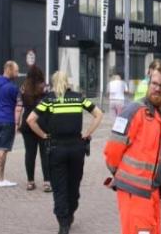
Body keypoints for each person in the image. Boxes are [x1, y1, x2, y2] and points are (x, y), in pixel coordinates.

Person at [27, 71, 104, 234]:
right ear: (67, 82)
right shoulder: (78, 98)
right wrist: (87, 133)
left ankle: (63, 223)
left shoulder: (49, 100)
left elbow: (30, 120)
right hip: (77, 147)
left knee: (59, 186)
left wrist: (43, 135)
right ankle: (70, 212)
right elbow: (98, 114)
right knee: (74, 185)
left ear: (53, 83)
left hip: (56, 148)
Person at [104, 66, 161, 234]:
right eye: (154, 83)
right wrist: (122, 175)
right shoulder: (134, 111)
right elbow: (112, 151)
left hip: (153, 190)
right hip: (134, 190)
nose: (157, 88)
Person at [16, 66, 51, 192]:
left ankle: (30, 182)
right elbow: (51, 105)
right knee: (45, 153)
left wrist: (17, 123)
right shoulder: (46, 87)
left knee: (30, 153)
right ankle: (47, 182)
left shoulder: (23, 88)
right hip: (43, 123)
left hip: (27, 123)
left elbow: (19, 107)